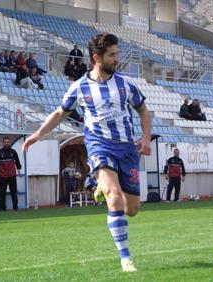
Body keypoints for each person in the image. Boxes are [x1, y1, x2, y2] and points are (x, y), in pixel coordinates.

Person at [22, 33, 152, 272]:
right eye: (112, 55)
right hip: (99, 146)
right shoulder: (80, 87)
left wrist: (145, 138)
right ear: (96, 57)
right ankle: (126, 259)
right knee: (114, 199)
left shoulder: (125, 84)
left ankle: (100, 186)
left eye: (117, 53)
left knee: (131, 209)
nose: (117, 58)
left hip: (127, 149)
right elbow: (60, 113)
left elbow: (144, 111)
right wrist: (38, 134)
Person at [0, 137, 22, 211]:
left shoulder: (13, 152)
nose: (6, 143)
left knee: (13, 191)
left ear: (9, 143)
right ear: (3, 143)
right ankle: (2, 208)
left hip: (12, 175)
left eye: (8, 142)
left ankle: (15, 207)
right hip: (3, 175)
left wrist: (19, 168)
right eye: (5, 142)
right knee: (2, 192)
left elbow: (17, 161)